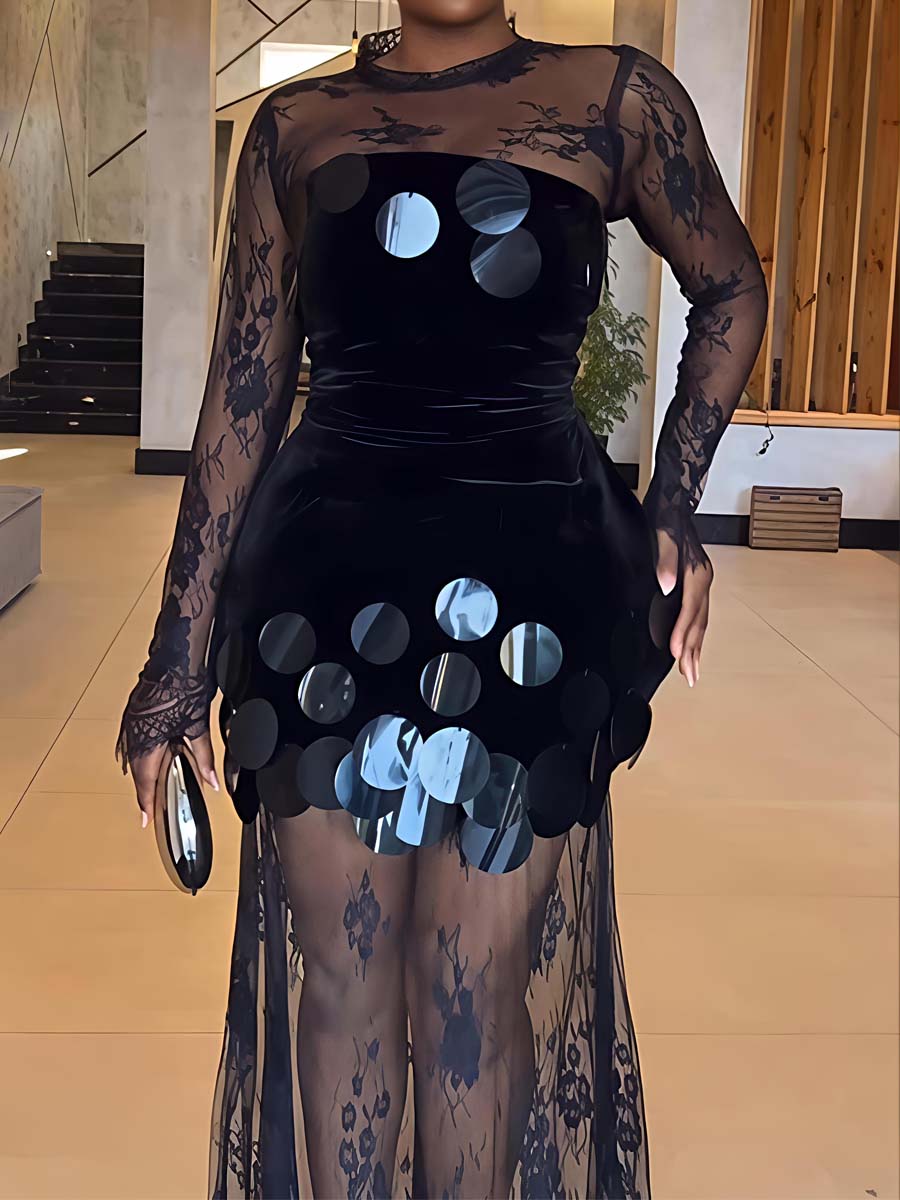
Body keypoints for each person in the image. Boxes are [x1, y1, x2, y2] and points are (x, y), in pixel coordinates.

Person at [118, 3, 767, 1196]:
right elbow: (244, 395)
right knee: (342, 979)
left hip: (530, 599)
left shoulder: (615, 99)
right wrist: (176, 658)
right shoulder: (295, 126)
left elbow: (730, 287)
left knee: (470, 984)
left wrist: (676, 501)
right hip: (323, 596)